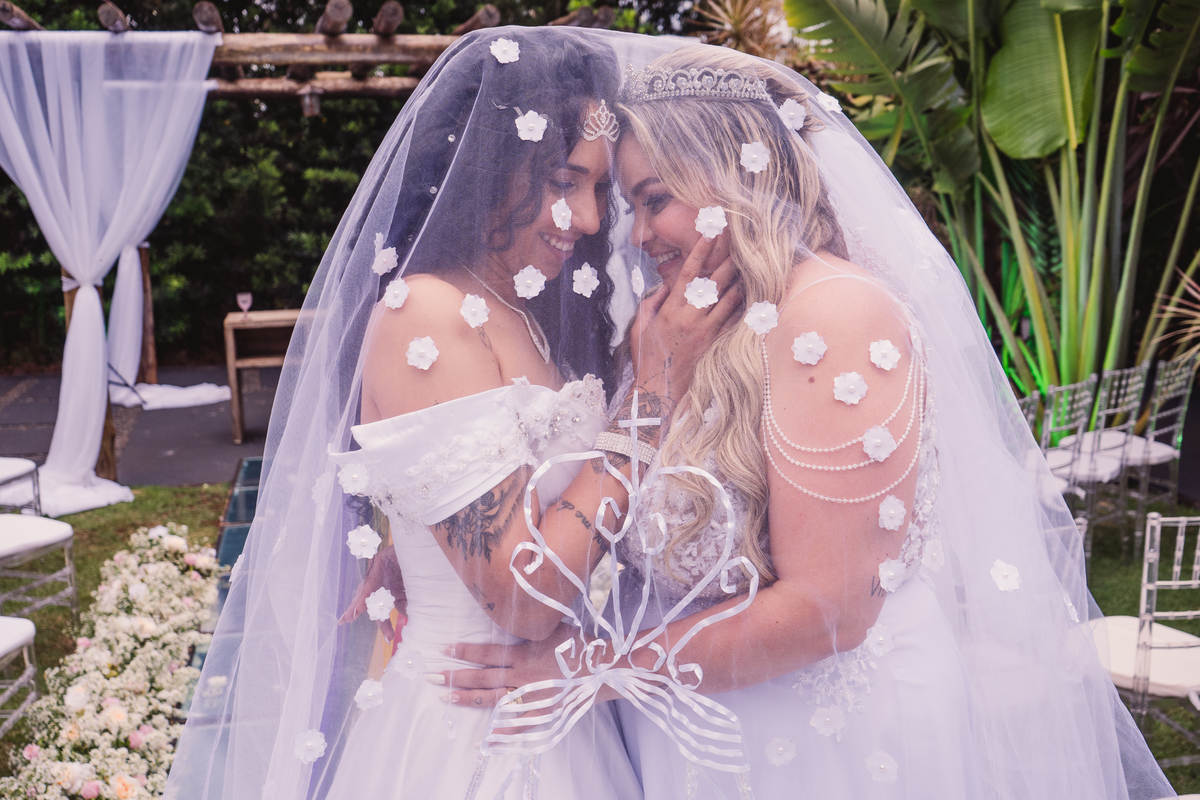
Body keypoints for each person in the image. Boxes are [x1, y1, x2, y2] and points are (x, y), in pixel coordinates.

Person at [442, 44, 1178, 800]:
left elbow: (828, 608)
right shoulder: (684, 327)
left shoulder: (835, 314)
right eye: (636, 207)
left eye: (654, 200)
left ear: (735, 176)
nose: (636, 235)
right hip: (694, 728)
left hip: (826, 745)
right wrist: (426, 521)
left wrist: (594, 669)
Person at [164, 28, 708, 800]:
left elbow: (513, 497)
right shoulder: (428, 313)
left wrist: (421, 531)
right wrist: (648, 404)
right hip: (473, 733)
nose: (590, 219)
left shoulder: (521, 311)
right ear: (487, 169)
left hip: (552, 706)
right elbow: (519, 599)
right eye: (564, 182)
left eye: (598, 190)